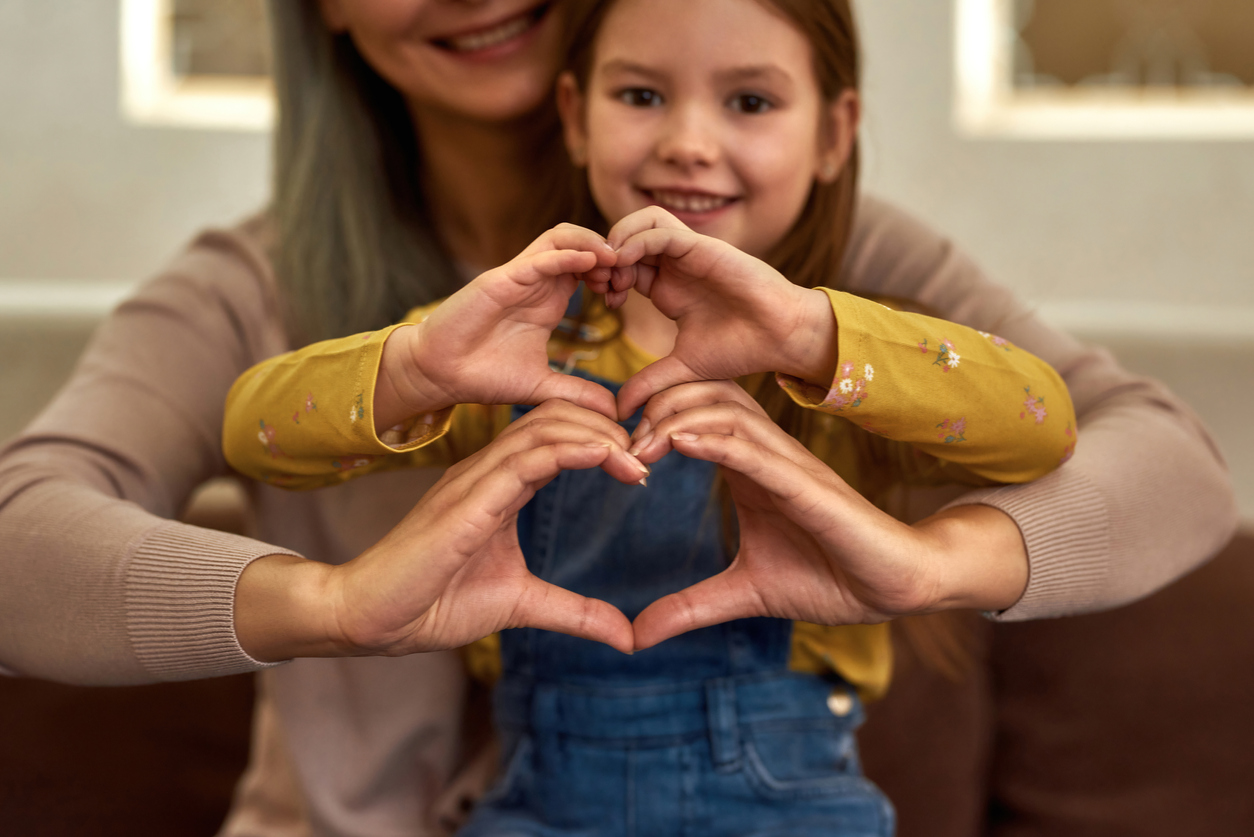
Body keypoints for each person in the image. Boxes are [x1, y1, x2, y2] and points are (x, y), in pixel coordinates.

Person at [0, 0, 1236, 834]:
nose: (691, 145)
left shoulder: (819, 268)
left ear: (831, 133)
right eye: (645, 99)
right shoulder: (346, 306)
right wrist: (340, 586)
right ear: (585, 108)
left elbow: (1107, 443)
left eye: (750, 104)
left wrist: (921, 550)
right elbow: (225, 440)